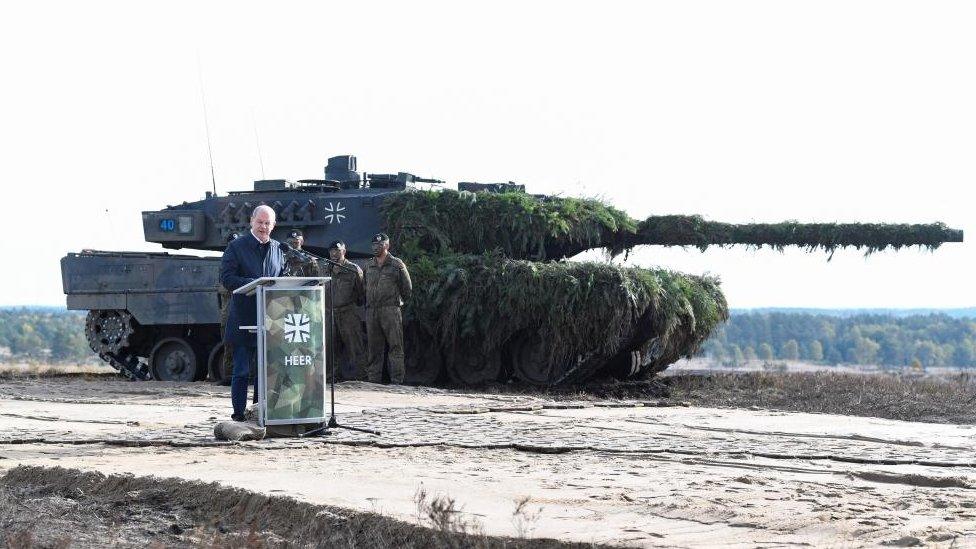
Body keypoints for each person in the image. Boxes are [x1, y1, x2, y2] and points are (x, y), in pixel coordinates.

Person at [220, 205, 286, 421]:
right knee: (241, 371)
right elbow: (227, 279)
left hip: (270, 320)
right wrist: (254, 284)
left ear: (273, 226)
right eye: (260, 222)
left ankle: (259, 412)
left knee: (264, 373)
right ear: (251, 221)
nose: (264, 227)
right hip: (244, 319)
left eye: (268, 223)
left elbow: (281, 279)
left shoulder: (278, 249)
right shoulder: (236, 247)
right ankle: (238, 415)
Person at [363, 232, 412, 384]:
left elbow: (407, 288)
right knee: (373, 348)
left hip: (390, 309)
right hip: (372, 310)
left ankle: (397, 380)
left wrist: (396, 302)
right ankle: (374, 380)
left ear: (387, 245)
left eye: (379, 244)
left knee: (395, 346)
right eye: (374, 245)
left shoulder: (397, 264)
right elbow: (364, 285)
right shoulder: (368, 265)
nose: (376, 247)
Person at [325, 240, 366, 380]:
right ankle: (331, 377)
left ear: (344, 251)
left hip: (348, 312)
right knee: (330, 347)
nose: (334, 254)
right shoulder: (325, 269)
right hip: (330, 313)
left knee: (354, 345)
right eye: (332, 251)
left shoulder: (353, 269)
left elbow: (362, 293)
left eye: (338, 250)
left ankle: (360, 377)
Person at [216, 232, 241, 386]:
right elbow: (221, 288)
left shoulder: (243, 261)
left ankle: (243, 374)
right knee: (228, 342)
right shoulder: (224, 264)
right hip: (228, 309)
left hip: (240, 308)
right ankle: (228, 375)